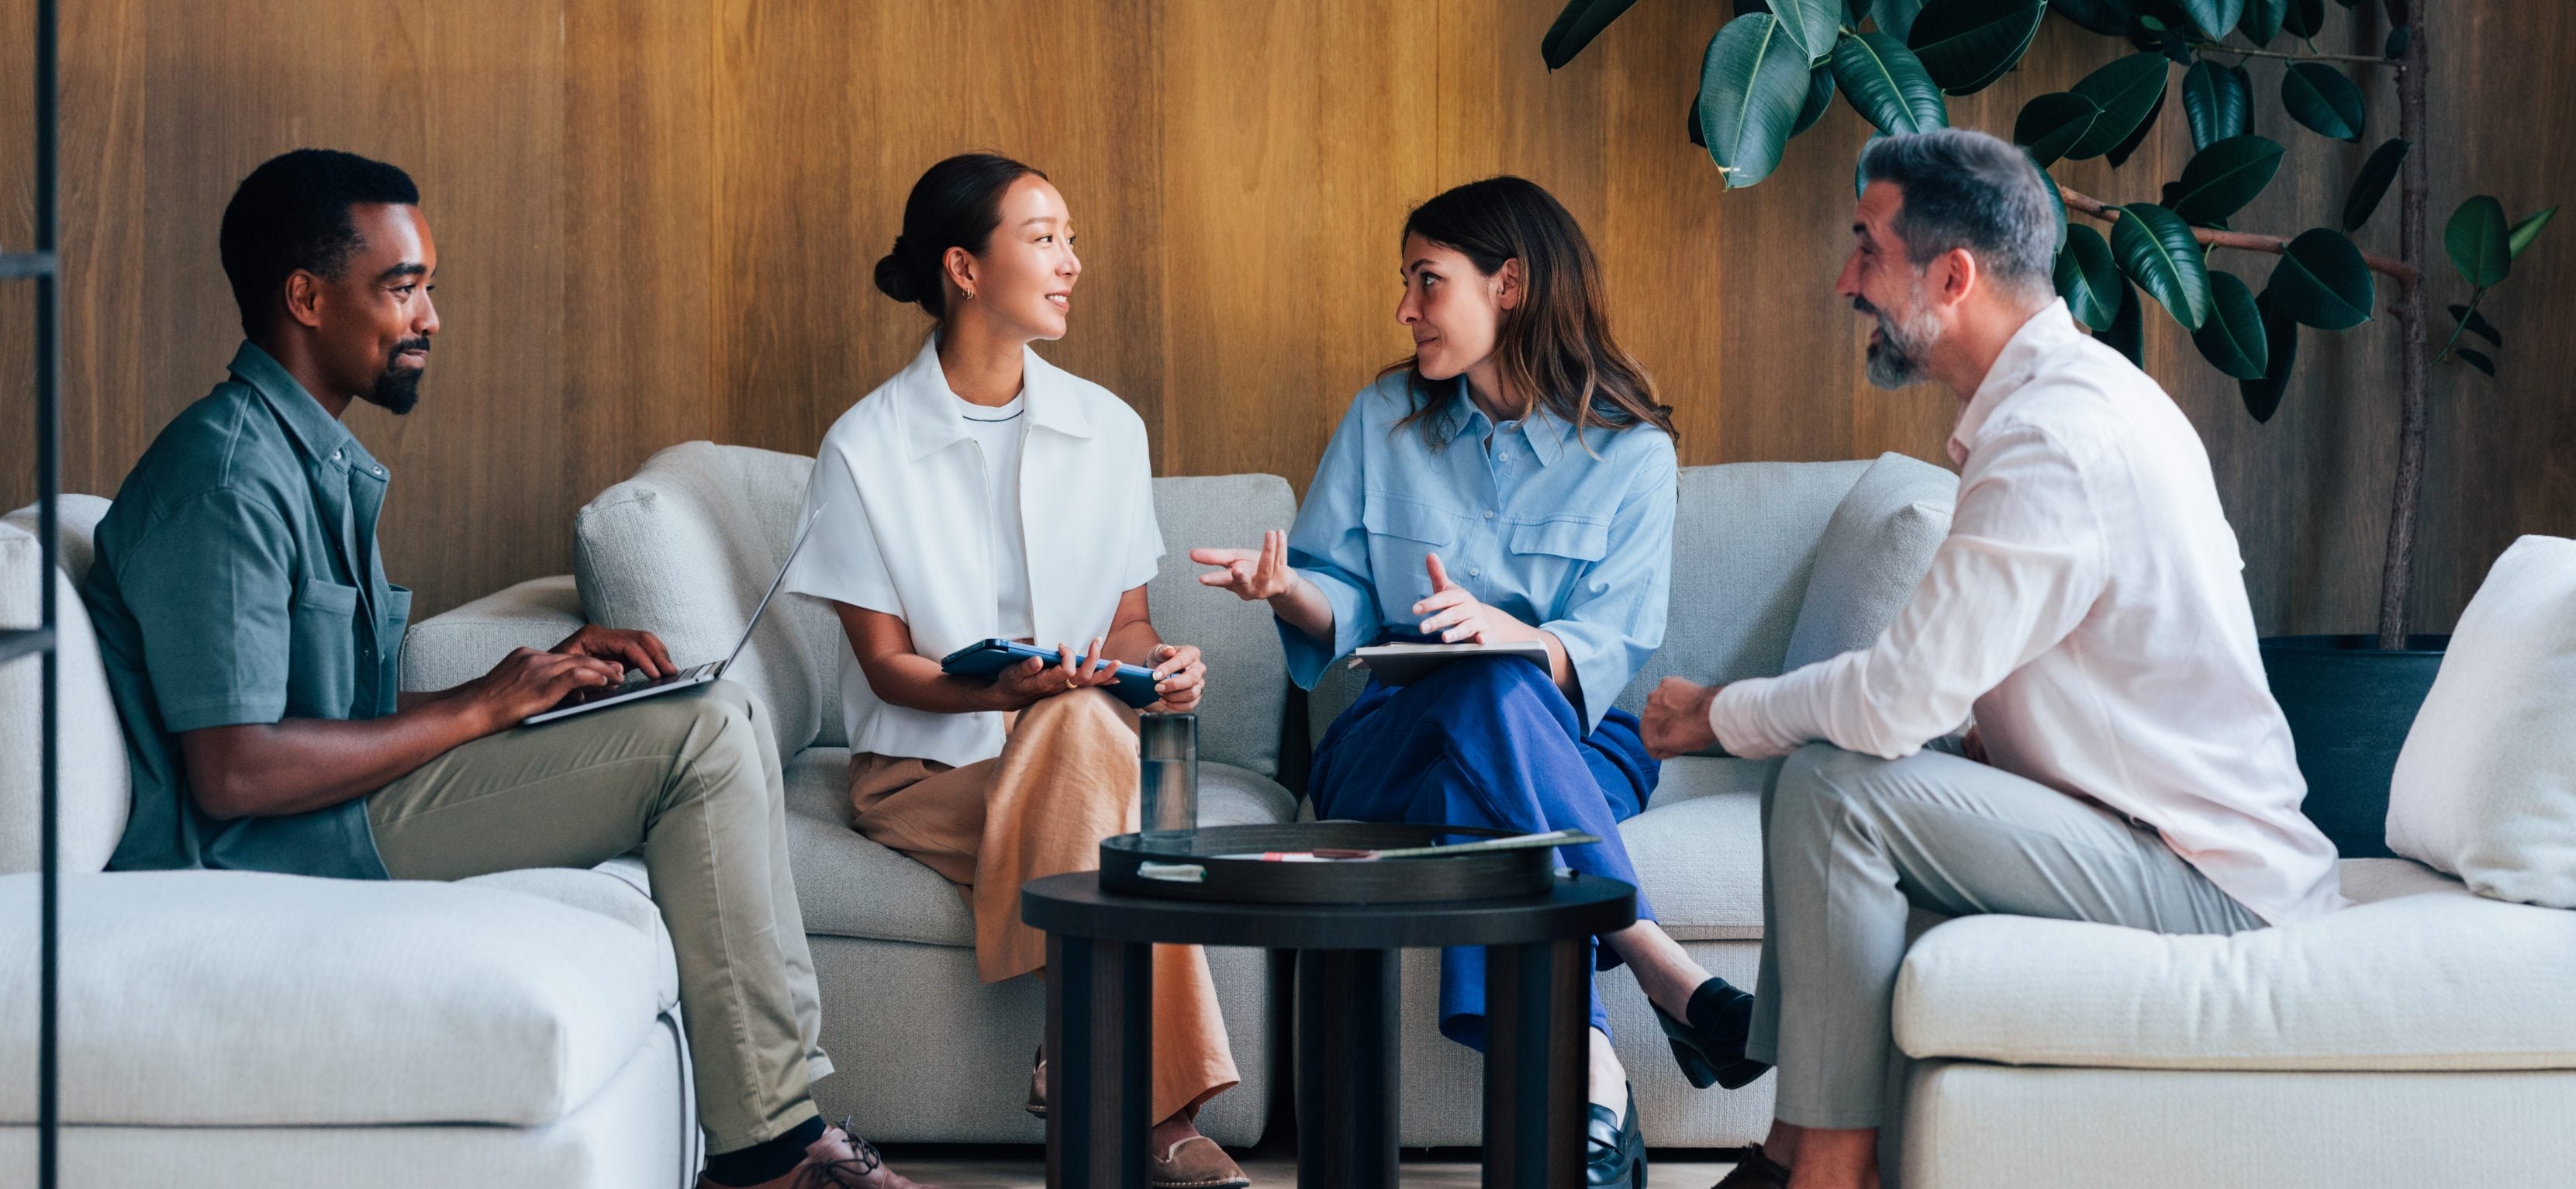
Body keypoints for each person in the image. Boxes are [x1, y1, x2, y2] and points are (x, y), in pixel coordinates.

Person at [84, 150, 916, 1189]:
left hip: (329, 808)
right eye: (402, 287)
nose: (429, 316)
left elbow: (331, 716)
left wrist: (537, 680)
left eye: (426, 284)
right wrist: (483, 707)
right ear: (305, 297)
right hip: (264, 845)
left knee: (718, 709)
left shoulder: (309, 460)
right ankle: (774, 1155)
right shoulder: (226, 481)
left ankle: (782, 1131)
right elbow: (237, 772)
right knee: (696, 740)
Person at [1639, 129, 2346, 1189]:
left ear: (1953, 275)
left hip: (2210, 883)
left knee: (1838, 779)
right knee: (1832, 769)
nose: (1846, 283)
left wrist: (1720, 712)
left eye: (1866, 250)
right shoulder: (2057, 405)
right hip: (2141, 835)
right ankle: (1791, 1146)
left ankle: (1830, 1169)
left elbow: (1892, 701)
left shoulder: (2056, 439)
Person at [1193, 176, 1758, 1189]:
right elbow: (1343, 601)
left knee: (1489, 696)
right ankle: (1662, 986)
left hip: (1574, 744)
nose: (1406, 309)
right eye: (1405, 284)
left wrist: (1514, 638)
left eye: (1427, 281)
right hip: (1388, 739)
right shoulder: (1385, 416)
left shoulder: (1630, 452)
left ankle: (1592, 1085)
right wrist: (1284, 592)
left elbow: (1614, 639)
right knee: (1465, 690)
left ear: (1510, 285)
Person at [783, 153, 1245, 1189]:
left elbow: (1127, 626)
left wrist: (1160, 668)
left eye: (1071, 237)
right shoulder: (865, 447)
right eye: (1043, 238)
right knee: (1085, 747)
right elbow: (889, 668)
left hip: (1087, 749)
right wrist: (1003, 691)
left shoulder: (1109, 427)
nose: (1072, 262)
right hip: (927, 771)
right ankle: (1153, 1111)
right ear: (964, 267)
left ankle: (1088, 1064)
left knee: (1083, 728)